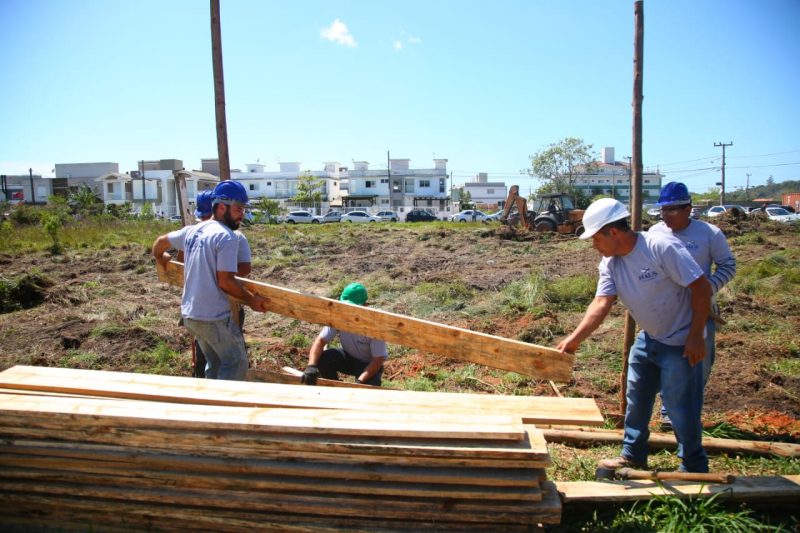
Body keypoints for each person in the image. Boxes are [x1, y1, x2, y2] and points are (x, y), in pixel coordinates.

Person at [556, 198, 712, 473]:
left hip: (682, 338)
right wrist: (574, 339)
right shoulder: (610, 263)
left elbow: (701, 289)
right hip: (650, 337)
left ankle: (694, 466)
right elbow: (601, 303)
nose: (594, 245)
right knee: (636, 398)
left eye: (596, 238)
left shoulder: (660, 247)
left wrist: (697, 335)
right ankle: (633, 454)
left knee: (679, 407)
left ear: (612, 232)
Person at [152, 180, 267, 381]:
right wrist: (252, 300)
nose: (242, 214)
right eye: (239, 209)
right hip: (213, 316)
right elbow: (226, 282)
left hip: (191, 315)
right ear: (222, 207)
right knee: (236, 364)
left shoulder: (192, 231)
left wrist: (161, 259)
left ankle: (208, 404)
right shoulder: (226, 236)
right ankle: (223, 409)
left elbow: (160, 243)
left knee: (214, 364)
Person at [649, 182, 736, 428]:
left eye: (672, 210)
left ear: (688, 209)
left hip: (700, 308)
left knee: (698, 360)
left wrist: (707, 288)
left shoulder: (709, 234)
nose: (666, 216)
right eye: (663, 210)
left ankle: (688, 409)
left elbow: (728, 265)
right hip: (666, 310)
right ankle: (668, 411)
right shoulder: (656, 233)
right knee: (667, 359)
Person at [188, 189, 253, 378]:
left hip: (220, 306)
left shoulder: (234, 237)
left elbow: (242, 269)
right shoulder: (198, 234)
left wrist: (216, 271)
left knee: (220, 359)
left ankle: (213, 396)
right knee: (231, 361)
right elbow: (183, 264)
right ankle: (219, 401)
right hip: (208, 310)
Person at [302, 283, 388, 386]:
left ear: (365, 306)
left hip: (368, 364)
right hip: (349, 358)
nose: (348, 312)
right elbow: (320, 342)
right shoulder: (339, 317)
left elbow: (378, 360)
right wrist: (311, 366)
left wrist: (360, 381)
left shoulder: (374, 326)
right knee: (325, 358)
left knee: (371, 385)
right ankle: (334, 389)